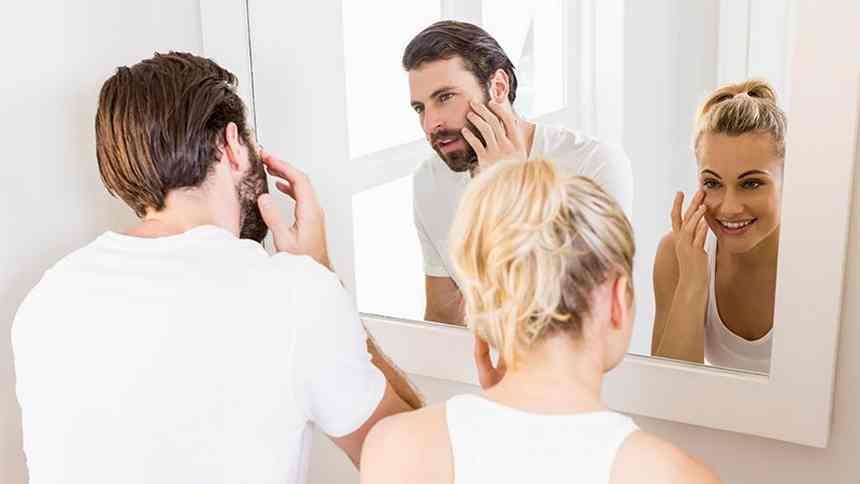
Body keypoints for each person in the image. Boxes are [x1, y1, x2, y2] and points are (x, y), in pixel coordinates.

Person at [12, 52, 422, 484]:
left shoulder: (48, 297)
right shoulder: (294, 295)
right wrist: (322, 272)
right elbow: (424, 467)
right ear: (230, 144)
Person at [360, 159, 720, 484]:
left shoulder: (395, 448)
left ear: (483, 307)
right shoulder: (672, 475)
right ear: (617, 299)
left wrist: (504, 412)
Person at [404, 20, 634, 325]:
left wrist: (510, 189)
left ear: (499, 87)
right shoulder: (430, 181)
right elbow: (443, 317)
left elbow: (589, 320)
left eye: (445, 97)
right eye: (420, 108)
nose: (430, 123)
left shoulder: (594, 165)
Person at [651, 80, 786, 372]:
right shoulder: (676, 255)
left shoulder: (822, 260)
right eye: (712, 183)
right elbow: (668, 391)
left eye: (751, 183)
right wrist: (692, 281)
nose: (729, 207)